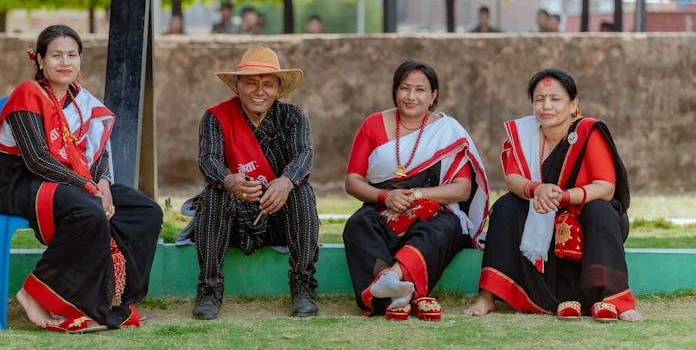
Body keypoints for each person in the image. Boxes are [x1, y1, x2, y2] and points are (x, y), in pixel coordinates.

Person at [0, 25, 163, 332]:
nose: (65, 62)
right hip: (24, 184)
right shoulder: (28, 94)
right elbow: (36, 159)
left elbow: (97, 156)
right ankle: (34, 292)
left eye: (72, 55)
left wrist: (104, 185)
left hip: (72, 183)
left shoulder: (83, 102)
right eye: (56, 55)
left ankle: (113, 298)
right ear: (40, 60)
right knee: (88, 209)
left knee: (145, 211)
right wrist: (88, 188)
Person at [464, 69, 642, 322]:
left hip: (588, 218)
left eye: (555, 99)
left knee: (599, 208)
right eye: (539, 99)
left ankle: (614, 300)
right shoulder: (524, 135)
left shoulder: (588, 132)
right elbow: (513, 179)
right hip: (542, 219)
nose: (546, 106)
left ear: (573, 104)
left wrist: (565, 197)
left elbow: (606, 187)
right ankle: (488, 296)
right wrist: (538, 189)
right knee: (506, 206)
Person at [343, 60, 490, 321]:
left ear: (433, 95)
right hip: (383, 208)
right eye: (404, 88)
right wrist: (385, 196)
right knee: (358, 225)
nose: (411, 97)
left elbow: (462, 189)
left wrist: (418, 196)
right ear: (395, 91)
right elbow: (353, 181)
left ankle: (391, 280)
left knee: (442, 228)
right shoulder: (373, 125)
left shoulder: (447, 131)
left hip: (436, 211)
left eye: (420, 90)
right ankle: (394, 295)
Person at [183, 46, 320, 320]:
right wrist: (228, 179)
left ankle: (303, 285)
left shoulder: (293, 117)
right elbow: (208, 160)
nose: (260, 91)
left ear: (278, 88)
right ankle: (209, 289)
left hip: (277, 218)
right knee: (215, 192)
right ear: (237, 85)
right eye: (251, 83)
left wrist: (285, 182)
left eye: (268, 84)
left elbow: (304, 154)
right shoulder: (215, 118)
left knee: (302, 191)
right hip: (232, 219)